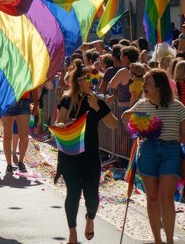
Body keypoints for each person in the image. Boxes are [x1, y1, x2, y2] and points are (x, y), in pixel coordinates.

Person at [54, 59, 119, 244]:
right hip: (70, 154)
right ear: (79, 80)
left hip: (90, 156)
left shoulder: (97, 100)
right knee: (72, 193)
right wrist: (60, 124)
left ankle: (90, 218)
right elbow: (60, 120)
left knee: (91, 196)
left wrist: (97, 107)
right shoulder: (67, 99)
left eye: (94, 78)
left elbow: (114, 125)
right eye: (88, 77)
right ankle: (72, 234)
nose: (92, 81)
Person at [122, 69, 185, 244]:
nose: (143, 85)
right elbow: (124, 117)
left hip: (170, 152)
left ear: (159, 85)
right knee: (152, 198)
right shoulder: (142, 104)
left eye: (147, 82)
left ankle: (170, 241)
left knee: (166, 197)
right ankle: (158, 240)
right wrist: (142, 120)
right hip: (147, 151)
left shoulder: (177, 107)